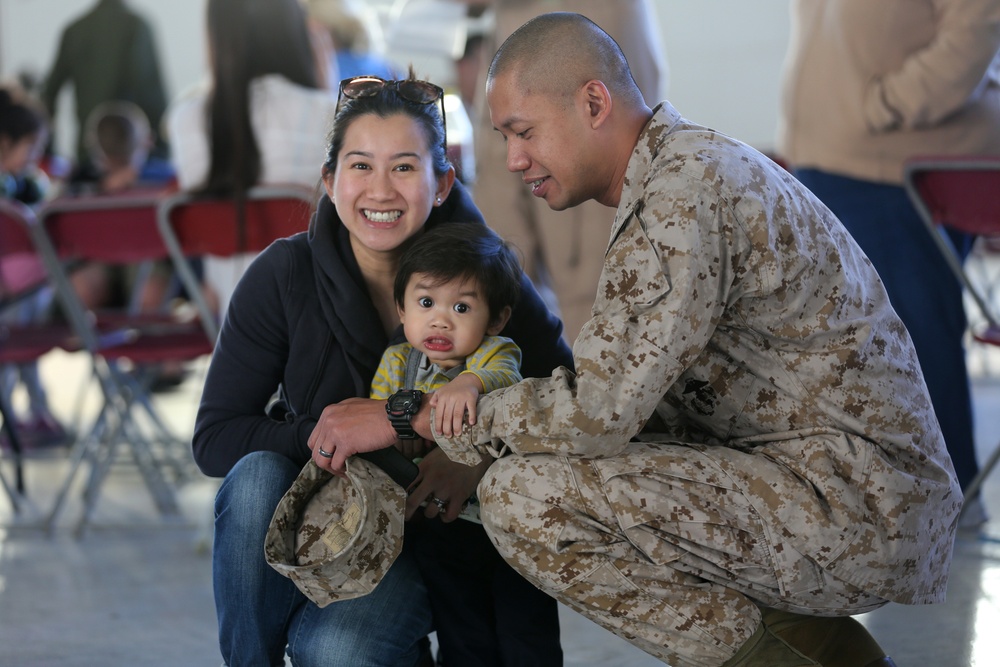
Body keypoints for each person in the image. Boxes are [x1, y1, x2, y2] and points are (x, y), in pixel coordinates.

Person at [316, 13, 964, 667]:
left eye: (524, 131)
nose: (513, 160)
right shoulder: (682, 170)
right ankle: (820, 651)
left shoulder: (680, 197)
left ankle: (807, 658)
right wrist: (479, 442)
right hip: (837, 485)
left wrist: (423, 413)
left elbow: (599, 410)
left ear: (593, 102)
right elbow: (621, 399)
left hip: (854, 504)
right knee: (527, 469)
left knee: (523, 496)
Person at [192, 70, 571, 666]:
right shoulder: (283, 275)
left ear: (441, 182)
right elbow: (214, 440)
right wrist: (332, 434)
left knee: (336, 649)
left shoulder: (485, 273)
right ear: (330, 180)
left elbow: (567, 393)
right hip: (326, 517)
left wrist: (468, 456)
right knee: (256, 475)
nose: (381, 190)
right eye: (360, 165)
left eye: (403, 166)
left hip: (429, 533)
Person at [776, 0, 1000, 525]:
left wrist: (884, 107)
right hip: (826, 158)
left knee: (905, 338)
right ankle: (873, 499)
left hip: (898, 162)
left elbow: (976, 24)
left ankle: (944, 505)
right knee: (839, 347)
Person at [467, 0, 666, 344]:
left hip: (580, 19)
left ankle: (581, 378)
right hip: (511, 22)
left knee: (592, 286)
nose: (516, 159)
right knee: (500, 261)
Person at [166, 0, 338, 322]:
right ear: (293, 29)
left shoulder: (184, 120)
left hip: (229, 326)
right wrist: (329, 87)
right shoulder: (328, 113)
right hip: (322, 317)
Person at [0, 85, 67, 450]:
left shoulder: (27, 184)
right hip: (12, 292)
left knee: (22, 347)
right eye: (31, 148)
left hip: (22, 292)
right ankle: (16, 415)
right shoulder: (14, 190)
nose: (36, 157)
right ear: (4, 142)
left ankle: (32, 410)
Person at [41, 0, 169, 170]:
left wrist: (46, 155)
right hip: (130, 158)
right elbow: (152, 95)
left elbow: (48, 96)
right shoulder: (136, 26)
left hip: (88, 151)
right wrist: (161, 153)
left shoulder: (74, 30)